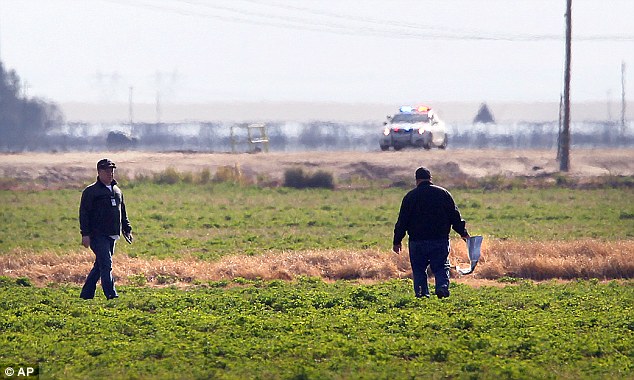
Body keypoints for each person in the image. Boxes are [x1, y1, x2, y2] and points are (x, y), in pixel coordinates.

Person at [392, 167, 469, 298]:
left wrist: (397, 241)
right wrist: (463, 233)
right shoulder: (443, 194)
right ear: (430, 178)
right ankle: (442, 288)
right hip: (439, 239)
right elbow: (454, 216)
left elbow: (402, 221)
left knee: (419, 269)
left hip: (417, 241)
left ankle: (422, 294)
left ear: (416, 180)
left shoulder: (410, 197)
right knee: (441, 266)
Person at [79, 158, 133, 300]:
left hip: (112, 234)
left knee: (100, 266)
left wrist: (126, 228)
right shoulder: (91, 192)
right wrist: (85, 234)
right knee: (106, 265)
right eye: (107, 171)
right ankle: (111, 295)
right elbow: (84, 213)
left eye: (112, 171)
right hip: (97, 235)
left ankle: (86, 294)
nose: (110, 174)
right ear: (99, 172)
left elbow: (122, 211)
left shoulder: (117, 190)